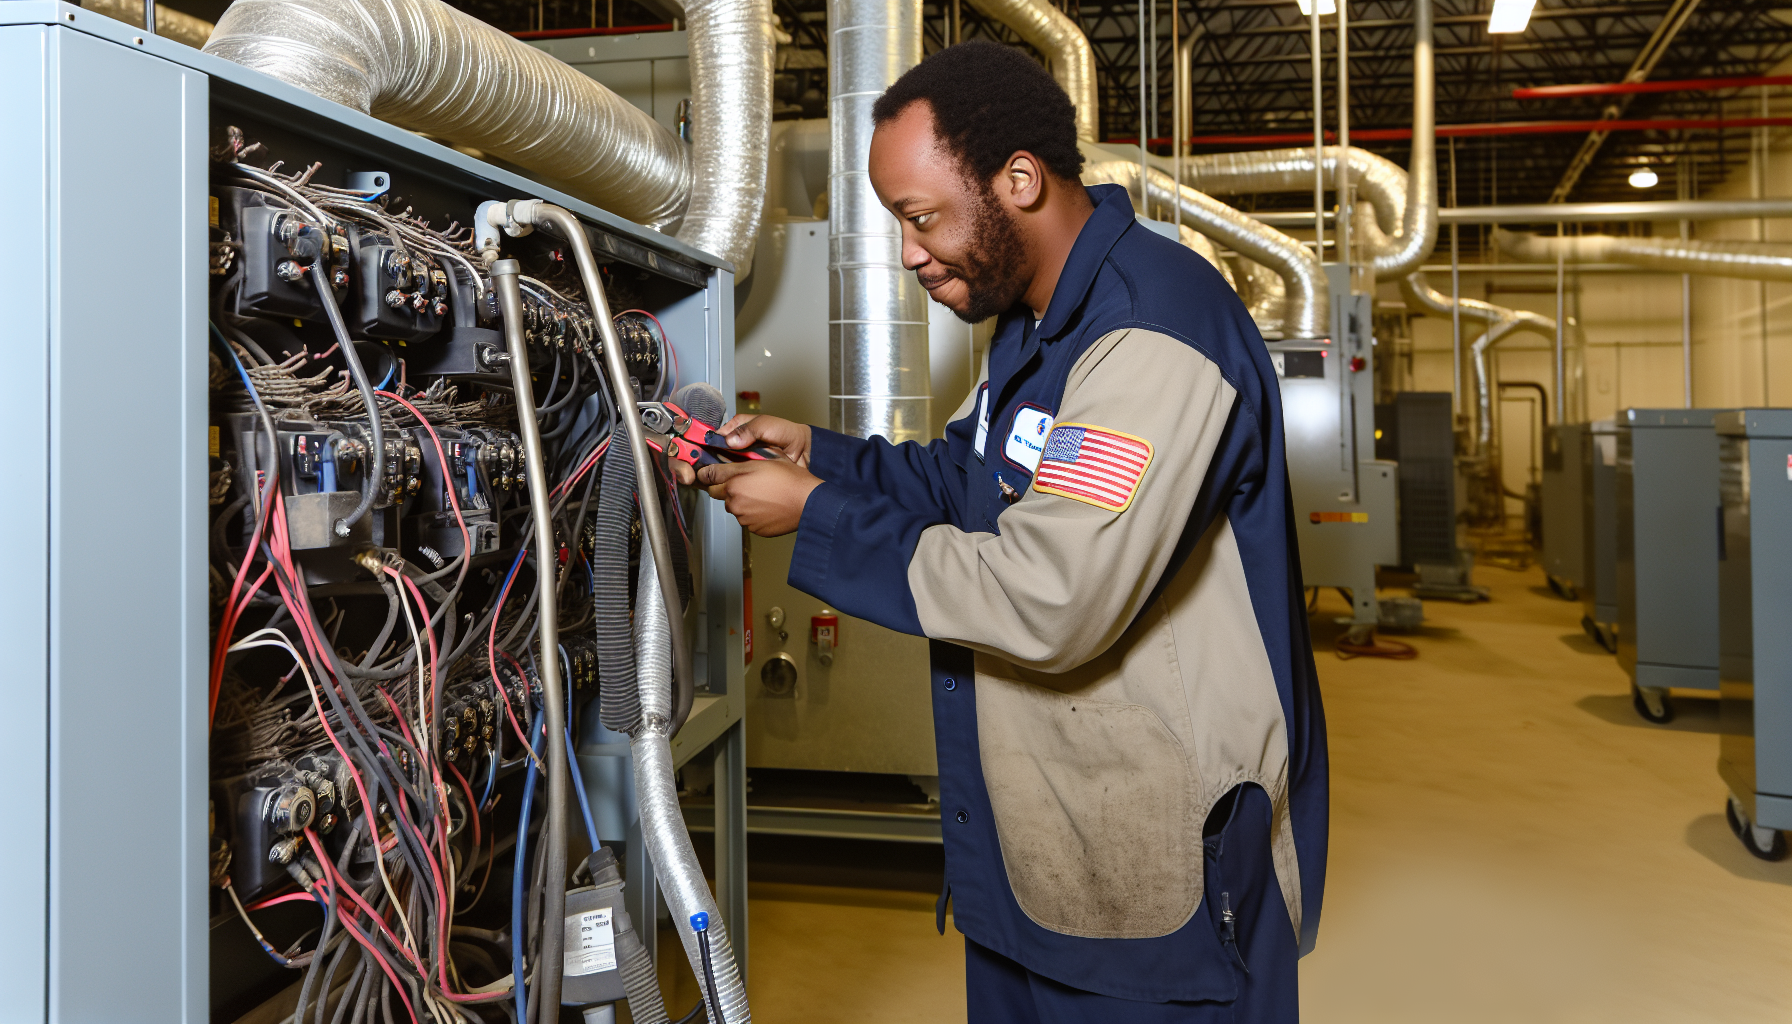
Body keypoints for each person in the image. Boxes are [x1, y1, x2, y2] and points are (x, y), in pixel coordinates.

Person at [677, 40, 1327, 1023]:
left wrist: (809, 511)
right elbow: (964, 482)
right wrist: (816, 451)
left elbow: (1048, 594)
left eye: (921, 215)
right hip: (1047, 846)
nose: (906, 251)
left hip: (1162, 876)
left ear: (1017, 179)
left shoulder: (1150, 331)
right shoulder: (1034, 327)